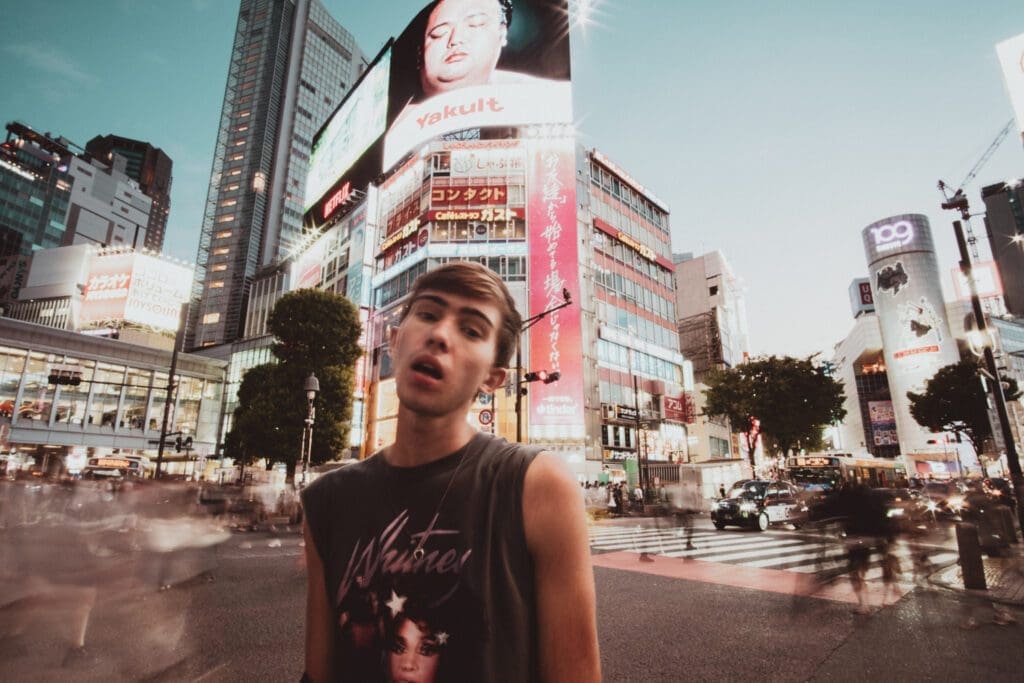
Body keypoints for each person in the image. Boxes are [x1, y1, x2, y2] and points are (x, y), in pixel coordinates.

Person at [302, 261, 600, 682]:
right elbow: (320, 673)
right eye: (426, 314)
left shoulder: (536, 485)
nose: (440, 335)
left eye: (472, 330)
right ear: (393, 340)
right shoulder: (325, 501)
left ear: (493, 378)